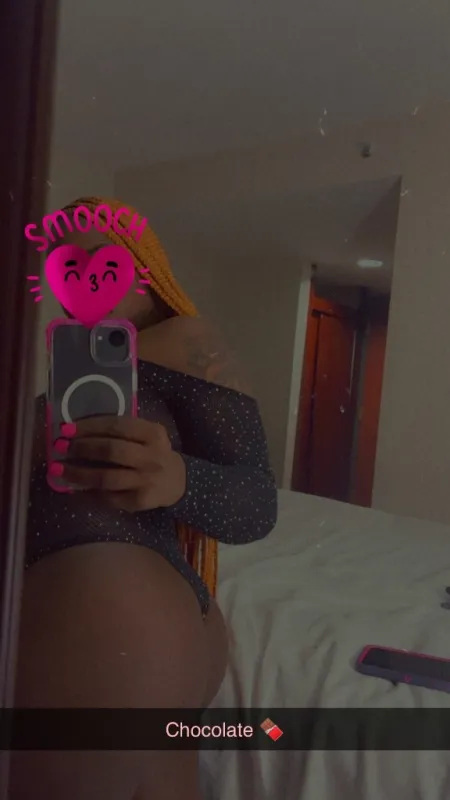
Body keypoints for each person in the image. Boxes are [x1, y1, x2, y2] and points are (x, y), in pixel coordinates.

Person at [10, 197, 278, 800]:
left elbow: (258, 503)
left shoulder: (184, 340)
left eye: (101, 261)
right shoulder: (73, 367)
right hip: (129, 630)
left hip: (113, 616)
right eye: (63, 267)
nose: (82, 279)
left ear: (144, 265)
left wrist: (179, 479)